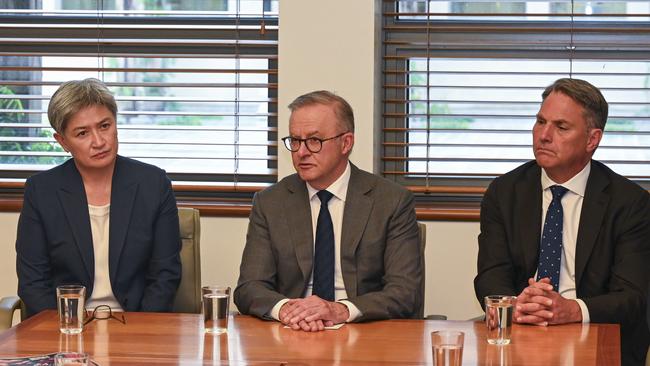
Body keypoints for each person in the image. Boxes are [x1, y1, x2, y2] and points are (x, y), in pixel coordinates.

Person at [474, 78, 650, 366]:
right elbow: (491, 275)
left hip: (595, 338)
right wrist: (517, 305)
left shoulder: (630, 203)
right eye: (540, 121)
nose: (544, 135)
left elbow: (631, 297)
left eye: (561, 127)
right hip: (521, 335)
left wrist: (572, 309)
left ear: (592, 139)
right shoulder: (504, 192)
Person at [234, 90, 422, 332]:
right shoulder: (271, 202)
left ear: (346, 143)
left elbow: (405, 293)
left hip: (363, 332)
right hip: (292, 331)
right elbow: (249, 287)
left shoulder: (391, 202)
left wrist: (340, 310)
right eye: (295, 140)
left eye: (314, 140)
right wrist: (286, 309)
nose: (301, 152)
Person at [16, 78, 182, 317]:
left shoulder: (153, 184)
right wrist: (70, 328)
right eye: (82, 133)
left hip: (135, 322)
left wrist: (140, 327)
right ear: (62, 141)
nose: (99, 141)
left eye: (105, 126)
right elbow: (33, 283)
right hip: (66, 325)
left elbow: (165, 275)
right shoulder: (41, 191)